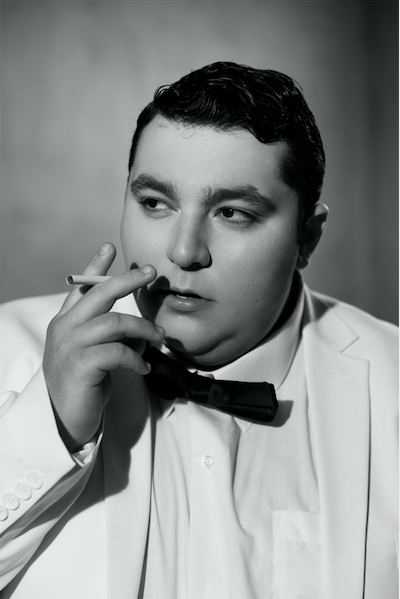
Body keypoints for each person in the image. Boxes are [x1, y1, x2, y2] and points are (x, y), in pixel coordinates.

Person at [0, 62, 397, 599]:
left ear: (307, 238)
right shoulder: (7, 350)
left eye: (233, 213)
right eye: (155, 203)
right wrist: (48, 432)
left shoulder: (392, 390)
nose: (184, 251)